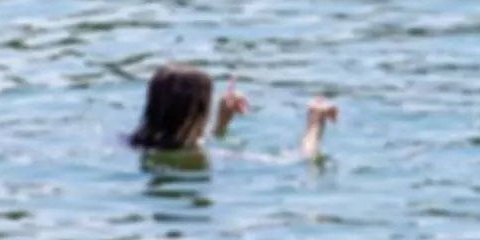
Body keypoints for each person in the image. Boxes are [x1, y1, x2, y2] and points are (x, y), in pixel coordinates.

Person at [127, 63, 339, 160]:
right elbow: (300, 159)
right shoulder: (196, 156)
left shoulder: (135, 145)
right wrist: (314, 124)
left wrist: (221, 123)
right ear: (198, 111)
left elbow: (183, 140)